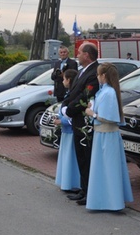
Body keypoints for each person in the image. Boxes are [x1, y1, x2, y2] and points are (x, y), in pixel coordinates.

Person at [83, 63, 133, 211]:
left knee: (109, 168)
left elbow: (108, 117)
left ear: (103, 76)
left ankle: (113, 202)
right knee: (102, 168)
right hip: (102, 134)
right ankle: (104, 199)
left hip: (107, 135)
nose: (97, 77)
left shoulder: (108, 93)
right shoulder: (104, 92)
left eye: (98, 75)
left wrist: (92, 113)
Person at [61, 42, 100, 205]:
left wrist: (69, 110)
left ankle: (89, 190)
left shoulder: (94, 72)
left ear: (87, 55)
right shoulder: (81, 71)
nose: (76, 54)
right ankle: (83, 188)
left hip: (84, 122)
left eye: (79, 52)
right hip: (77, 121)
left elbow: (85, 96)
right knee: (81, 157)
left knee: (86, 156)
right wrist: (64, 106)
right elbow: (73, 92)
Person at [54, 69, 81, 192]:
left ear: (69, 80)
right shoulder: (68, 94)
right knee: (66, 157)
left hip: (71, 132)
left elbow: (74, 115)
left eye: (64, 79)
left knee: (72, 158)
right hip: (66, 132)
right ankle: (66, 182)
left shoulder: (73, 95)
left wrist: (62, 121)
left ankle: (74, 183)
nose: (63, 81)